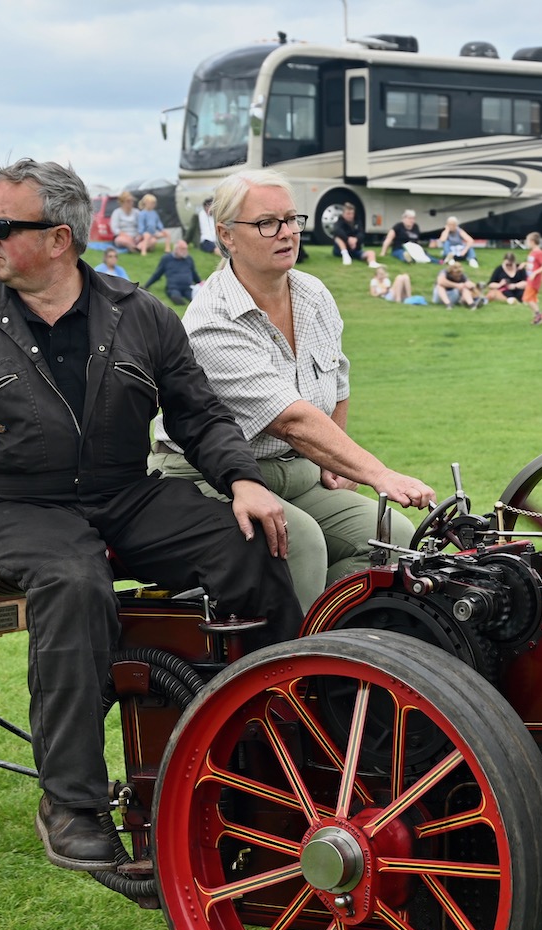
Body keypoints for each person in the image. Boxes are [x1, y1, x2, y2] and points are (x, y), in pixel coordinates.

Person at [0, 157, 300, 873]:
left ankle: (281, 757)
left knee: (247, 547)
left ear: (59, 238)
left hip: (126, 494)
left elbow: (199, 415)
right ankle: (71, 803)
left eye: (0, 226)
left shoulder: (141, 314)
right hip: (18, 509)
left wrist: (242, 480)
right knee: (74, 582)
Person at [174, 168, 434, 609]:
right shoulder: (212, 319)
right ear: (226, 235)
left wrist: (338, 464)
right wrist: (379, 475)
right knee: (303, 543)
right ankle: (292, 650)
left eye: (292, 219)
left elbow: (338, 380)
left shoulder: (313, 294)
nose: (287, 233)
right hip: (215, 477)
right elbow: (291, 421)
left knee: (393, 537)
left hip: (296, 473)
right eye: (266, 223)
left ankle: (341, 638)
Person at [140, 238, 203, 304]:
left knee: (195, 299)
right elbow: (157, 274)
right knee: (176, 297)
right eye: (183, 249)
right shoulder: (166, 259)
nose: (185, 251)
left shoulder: (189, 259)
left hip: (188, 286)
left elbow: (194, 273)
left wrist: (200, 283)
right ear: (176, 249)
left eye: (186, 249)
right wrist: (146, 285)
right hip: (174, 287)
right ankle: (179, 300)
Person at [521, 230, 542, 325]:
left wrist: (534, 273)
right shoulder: (532, 252)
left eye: (527, 241)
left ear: (532, 241)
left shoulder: (539, 253)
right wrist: (525, 264)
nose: (527, 243)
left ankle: (539, 315)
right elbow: (533, 264)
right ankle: (537, 317)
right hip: (530, 279)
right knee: (532, 299)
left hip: (534, 280)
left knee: (527, 298)